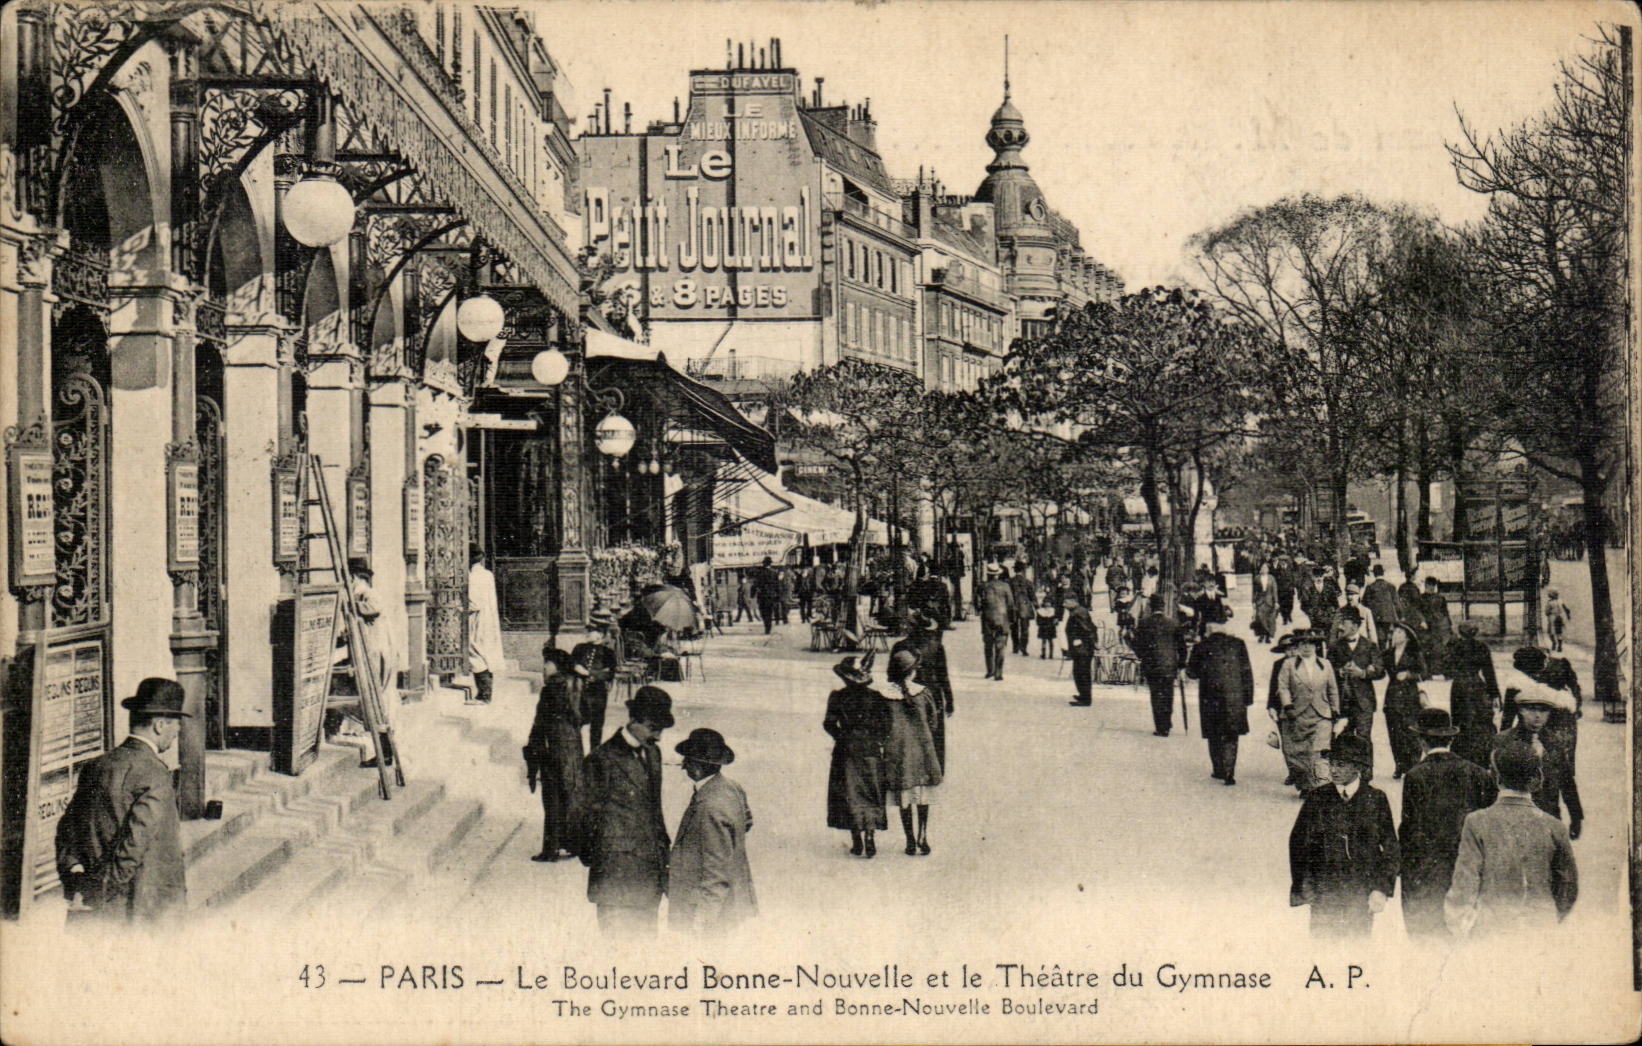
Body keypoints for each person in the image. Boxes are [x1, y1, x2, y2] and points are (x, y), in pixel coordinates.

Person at [55, 678, 190, 924]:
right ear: (159, 725)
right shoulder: (155, 775)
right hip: (136, 914)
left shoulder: (96, 766)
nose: (177, 732)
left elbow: (66, 829)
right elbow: (134, 846)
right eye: (176, 725)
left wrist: (77, 876)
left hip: (87, 910)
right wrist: (102, 892)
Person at [1445, 741, 1578, 938]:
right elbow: (1568, 885)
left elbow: (1465, 883)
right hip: (1540, 929)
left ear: (1496, 778)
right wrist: (1550, 916)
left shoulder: (1476, 822)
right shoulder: (1554, 826)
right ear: (1537, 779)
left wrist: (1460, 926)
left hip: (1492, 930)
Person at [577, 686, 674, 936]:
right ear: (634, 720)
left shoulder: (653, 753)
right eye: (654, 728)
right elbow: (580, 818)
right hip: (616, 880)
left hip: (650, 877)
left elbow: (655, 811)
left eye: (661, 729)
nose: (659, 736)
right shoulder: (601, 759)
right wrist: (602, 856)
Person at [1398, 708, 1497, 939]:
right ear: (1452, 738)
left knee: (1429, 937)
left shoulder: (1415, 775)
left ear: (1421, 740)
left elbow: (1410, 829)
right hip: (1467, 867)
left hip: (1427, 872)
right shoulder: (1477, 773)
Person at [1287, 735, 1399, 938]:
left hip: (1360, 892)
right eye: (1332, 764)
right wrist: (1304, 885)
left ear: (1357, 768)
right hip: (1325, 891)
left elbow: (1391, 848)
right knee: (1323, 949)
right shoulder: (1317, 798)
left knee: (1357, 947)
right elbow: (1298, 844)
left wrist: (1381, 888)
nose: (1333, 770)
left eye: (1340, 765)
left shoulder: (1375, 799)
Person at [667, 728, 757, 937]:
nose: (683, 766)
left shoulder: (709, 807)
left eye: (687, 761)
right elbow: (746, 821)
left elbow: (716, 872)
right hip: (730, 903)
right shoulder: (731, 787)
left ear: (697, 767)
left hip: (709, 913)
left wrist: (703, 920)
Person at [1494, 679, 1582, 840]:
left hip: (1548, 816)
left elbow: (1567, 781)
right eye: (1531, 709)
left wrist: (1576, 817)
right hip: (1512, 820)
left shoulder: (1554, 742)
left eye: (1543, 710)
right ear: (1520, 710)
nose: (1537, 716)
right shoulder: (1503, 741)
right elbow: (1492, 782)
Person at [824, 654, 890, 858]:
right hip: (870, 749)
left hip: (846, 748)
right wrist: (876, 739)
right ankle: (870, 835)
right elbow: (886, 726)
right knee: (871, 790)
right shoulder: (877, 697)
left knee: (849, 792)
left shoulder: (838, 696)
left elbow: (828, 723)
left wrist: (841, 737)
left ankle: (857, 840)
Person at [525, 649, 585, 862]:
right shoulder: (576, 685)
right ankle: (573, 843)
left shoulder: (551, 688)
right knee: (571, 791)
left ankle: (550, 849)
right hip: (573, 744)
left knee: (552, 797)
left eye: (547, 663)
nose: (544, 668)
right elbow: (585, 715)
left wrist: (534, 747)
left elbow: (541, 721)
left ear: (556, 666)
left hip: (553, 745)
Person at [881, 649, 942, 856]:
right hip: (922, 751)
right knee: (923, 797)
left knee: (903, 798)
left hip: (898, 754)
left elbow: (880, 725)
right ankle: (922, 836)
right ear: (912, 671)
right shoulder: (923, 693)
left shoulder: (885, 696)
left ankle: (909, 840)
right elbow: (933, 722)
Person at [1185, 605, 1255, 785]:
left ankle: (1219, 769)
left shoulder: (1202, 646)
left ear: (1208, 626)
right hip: (1235, 697)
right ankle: (1230, 770)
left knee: (1214, 732)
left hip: (1210, 697)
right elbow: (1246, 672)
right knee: (1231, 733)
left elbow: (1191, 673)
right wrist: (1248, 698)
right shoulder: (1238, 644)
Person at [1274, 630, 1341, 795]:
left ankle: (1317, 787)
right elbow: (1283, 688)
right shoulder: (1289, 664)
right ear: (1298, 646)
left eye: (1310, 643)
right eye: (1303, 644)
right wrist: (1287, 706)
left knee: (1317, 751)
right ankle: (1305, 784)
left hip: (1321, 714)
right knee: (1295, 753)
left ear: (1316, 646)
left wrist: (1335, 710)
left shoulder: (1325, 665)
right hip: (1296, 714)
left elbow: (1333, 689)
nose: (1306, 647)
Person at [1327, 606, 1385, 779]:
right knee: (1341, 737)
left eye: (1343, 623)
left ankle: (1366, 773)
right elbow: (1327, 669)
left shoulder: (1369, 646)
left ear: (1354, 625)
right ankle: (1346, 772)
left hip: (1363, 702)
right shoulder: (1335, 646)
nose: (1339, 627)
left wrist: (1363, 673)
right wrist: (1339, 672)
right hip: (1342, 702)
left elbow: (1381, 670)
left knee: (1363, 737)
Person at [1447, 620, 1500, 768]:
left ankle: (1461, 756)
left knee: (1460, 721)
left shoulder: (1455, 647)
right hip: (1477, 685)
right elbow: (1489, 672)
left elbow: (1446, 668)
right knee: (1480, 720)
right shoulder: (1482, 647)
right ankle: (1481, 756)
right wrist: (1495, 694)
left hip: (1459, 687)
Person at [1382, 622, 1428, 779]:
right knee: (1394, 732)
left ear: (1407, 637)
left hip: (1410, 696)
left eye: (1399, 632)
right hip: (1392, 695)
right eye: (1394, 632)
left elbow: (1424, 673)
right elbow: (1380, 670)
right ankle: (1399, 765)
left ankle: (1413, 765)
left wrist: (1409, 675)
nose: (1395, 635)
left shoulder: (1414, 653)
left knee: (1411, 732)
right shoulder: (1388, 653)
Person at [1132, 594, 1182, 737]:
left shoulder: (1144, 623)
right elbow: (1181, 646)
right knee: (1168, 694)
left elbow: (1136, 644)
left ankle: (1161, 726)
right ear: (1163, 606)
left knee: (1156, 695)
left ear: (1150, 606)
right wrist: (1181, 663)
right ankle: (1167, 721)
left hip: (1152, 664)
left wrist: (1143, 656)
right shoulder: (1172, 623)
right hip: (1169, 665)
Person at [571, 613, 618, 748]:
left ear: (600, 635)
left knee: (596, 727)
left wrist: (587, 673)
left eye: (591, 631)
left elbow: (609, 674)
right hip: (579, 692)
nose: (587, 633)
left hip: (598, 693)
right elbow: (572, 665)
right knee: (576, 723)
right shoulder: (579, 648)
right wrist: (577, 668)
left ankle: (594, 754)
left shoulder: (608, 653)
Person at [467, 547, 505, 704]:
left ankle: (484, 695)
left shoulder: (472, 577)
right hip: (489, 618)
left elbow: (474, 603)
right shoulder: (488, 574)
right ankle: (485, 693)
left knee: (476, 652)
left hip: (478, 619)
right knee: (487, 652)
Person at [977, 563, 1014, 681]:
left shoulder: (983, 587)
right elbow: (1011, 604)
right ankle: (999, 673)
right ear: (998, 575)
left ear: (988, 574)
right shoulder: (1005, 586)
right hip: (1002, 619)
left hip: (987, 619)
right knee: (1001, 646)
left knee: (988, 645)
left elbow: (977, 605)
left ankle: (990, 671)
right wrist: (1011, 619)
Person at [1063, 594, 1098, 707]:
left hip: (1083, 649)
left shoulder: (1079, 613)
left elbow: (1087, 629)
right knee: (1079, 672)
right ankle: (1083, 695)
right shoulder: (1078, 611)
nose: (1064, 605)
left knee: (1082, 673)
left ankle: (1085, 699)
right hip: (1081, 648)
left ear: (1073, 601)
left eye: (1066, 602)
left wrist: (1082, 641)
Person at [1417, 577, 1453, 676]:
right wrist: (1422, 621)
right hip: (1427, 627)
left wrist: (1449, 626)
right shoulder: (1421, 598)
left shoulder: (1440, 598)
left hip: (1439, 627)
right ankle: (1428, 672)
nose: (1431, 588)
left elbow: (1445, 612)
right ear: (1425, 586)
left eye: (1433, 586)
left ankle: (1444, 672)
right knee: (1427, 648)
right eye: (1429, 586)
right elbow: (1418, 612)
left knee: (1441, 649)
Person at [1362, 564, 1400, 644]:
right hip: (1388, 617)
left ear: (1374, 574)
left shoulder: (1370, 587)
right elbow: (1396, 603)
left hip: (1375, 617)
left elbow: (1364, 603)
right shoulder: (1390, 586)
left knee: (1378, 639)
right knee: (1387, 638)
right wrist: (1400, 616)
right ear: (1383, 573)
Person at [749, 557, 783, 635]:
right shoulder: (774, 573)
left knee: (764, 613)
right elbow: (777, 585)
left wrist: (752, 595)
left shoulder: (760, 573)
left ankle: (766, 627)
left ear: (764, 563)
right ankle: (768, 627)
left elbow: (755, 585)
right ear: (770, 564)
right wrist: (778, 596)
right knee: (770, 612)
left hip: (762, 596)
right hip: (771, 596)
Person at [1010, 561, 1036, 657]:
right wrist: (1036, 606)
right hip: (1025, 607)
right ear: (1023, 570)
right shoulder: (1028, 582)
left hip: (1013, 607)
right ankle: (1024, 648)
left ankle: (1015, 646)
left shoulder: (1010, 581)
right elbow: (1032, 596)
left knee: (1014, 627)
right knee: (1025, 628)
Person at [1252, 561, 1279, 643]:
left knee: (1269, 619)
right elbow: (1254, 591)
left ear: (1268, 569)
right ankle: (1261, 635)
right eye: (1262, 568)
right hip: (1260, 601)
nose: (1264, 569)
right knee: (1260, 618)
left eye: (1265, 568)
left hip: (1269, 600)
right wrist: (1253, 601)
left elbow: (1274, 590)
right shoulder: (1257, 578)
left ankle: (1267, 636)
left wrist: (1276, 602)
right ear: (1260, 569)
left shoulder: (1271, 578)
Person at [1034, 589, 1063, 659]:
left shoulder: (1053, 611)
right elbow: (1038, 620)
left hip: (1051, 628)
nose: (1047, 604)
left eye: (1049, 603)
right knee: (1043, 642)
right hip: (1043, 628)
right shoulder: (1040, 611)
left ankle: (1051, 654)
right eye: (1046, 602)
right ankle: (1043, 653)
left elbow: (1056, 619)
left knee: (1050, 642)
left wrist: (1055, 622)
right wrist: (1040, 623)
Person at [1274, 555, 1297, 627]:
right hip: (1281, 591)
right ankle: (1285, 618)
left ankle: (1289, 615)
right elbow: (1276, 580)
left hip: (1289, 590)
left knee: (1290, 604)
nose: (1282, 563)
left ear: (1286, 562)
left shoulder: (1290, 569)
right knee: (1282, 606)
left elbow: (1293, 579)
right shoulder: (1278, 570)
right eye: (1281, 561)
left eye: (1283, 561)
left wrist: (1292, 586)